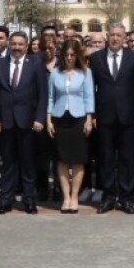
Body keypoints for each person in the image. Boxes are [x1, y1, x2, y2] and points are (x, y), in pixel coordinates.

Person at [0, 31, 47, 214]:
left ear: (26, 45)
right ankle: (6, 199)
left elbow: (43, 94)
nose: (16, 47)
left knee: (28, 163)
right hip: (5, 122)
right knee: (7, 164)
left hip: (28, 122)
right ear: (9, 44)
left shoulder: (36, 63)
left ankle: (29, 199)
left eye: (20, 44)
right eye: (13, 44)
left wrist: (39, 118)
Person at [89, 23, 134, 214]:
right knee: (105, 158)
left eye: (119, 35)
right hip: (104, 116)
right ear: (107, 36)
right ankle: (109, 197)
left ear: (124, 38)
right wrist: (93, 114)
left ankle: (126, 198)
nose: (115, 38)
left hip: (128, 116)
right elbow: (91, 89)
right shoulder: (96, 58)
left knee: (127, 158)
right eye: (112, 35)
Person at [47, 38, 94, 213]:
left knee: (78, 160)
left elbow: (89, 96)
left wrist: (89, 118)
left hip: (79, 117)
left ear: (78, 55)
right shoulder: (55, 73)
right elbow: (50, 97)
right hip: (60, 118)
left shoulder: (86, 72)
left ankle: (75, 196)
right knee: (62, 159)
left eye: (73, 55)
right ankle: (65, 197)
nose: (69, 58)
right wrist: (48, 119)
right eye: (66, 54)